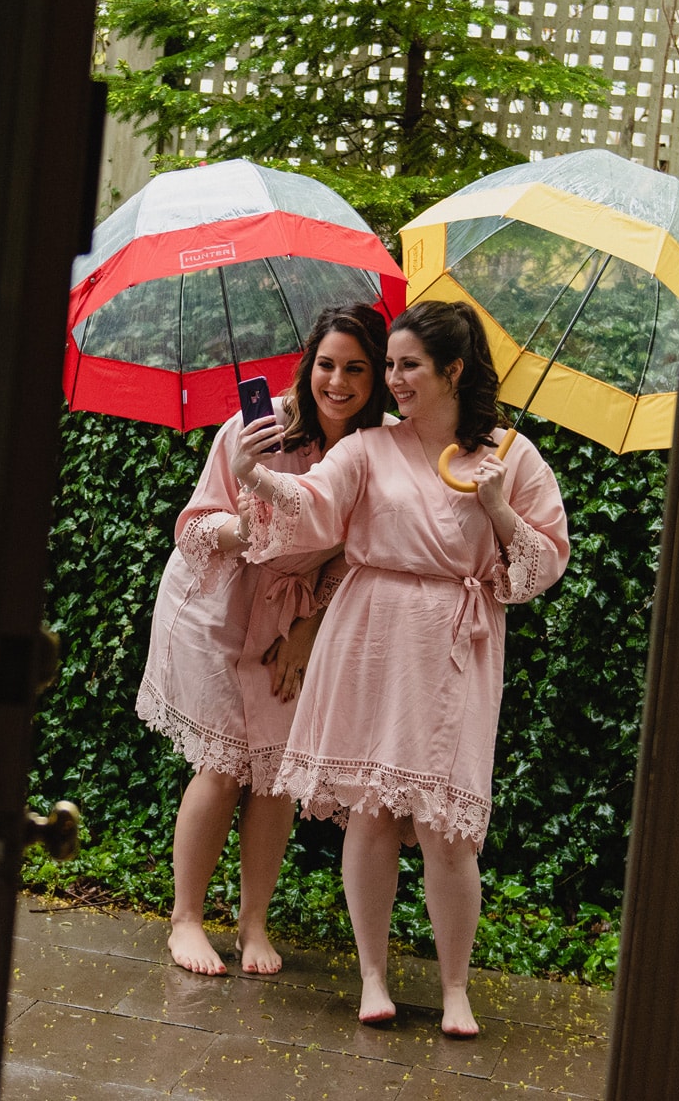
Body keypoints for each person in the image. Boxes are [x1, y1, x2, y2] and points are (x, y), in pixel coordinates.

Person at [228, 298, 570, 1036]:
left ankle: (456, 988)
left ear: (454, 369)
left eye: (408, 365)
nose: (392, 379)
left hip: (455, 645)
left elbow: (541, 566)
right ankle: (373, 976)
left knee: (447, 827)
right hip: (371, 634)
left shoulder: (513, 458)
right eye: (390, 365)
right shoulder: (368, 447)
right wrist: (252, 475)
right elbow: (311, 505)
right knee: (373, 813)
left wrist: (500, 508)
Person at [137, 303, 393, 977]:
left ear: (378, 376)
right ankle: (186, 919)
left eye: (356, 368)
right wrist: (243, 529)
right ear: (309, 365)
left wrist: (307, 632)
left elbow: (360, 556)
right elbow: (194, 526)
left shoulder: (381, 454)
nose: (337, 382)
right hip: (216, 605)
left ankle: (254, 923)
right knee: (223, 767)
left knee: (277, 773)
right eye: (327, 365)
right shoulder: (256, 430)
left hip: (292, 616)